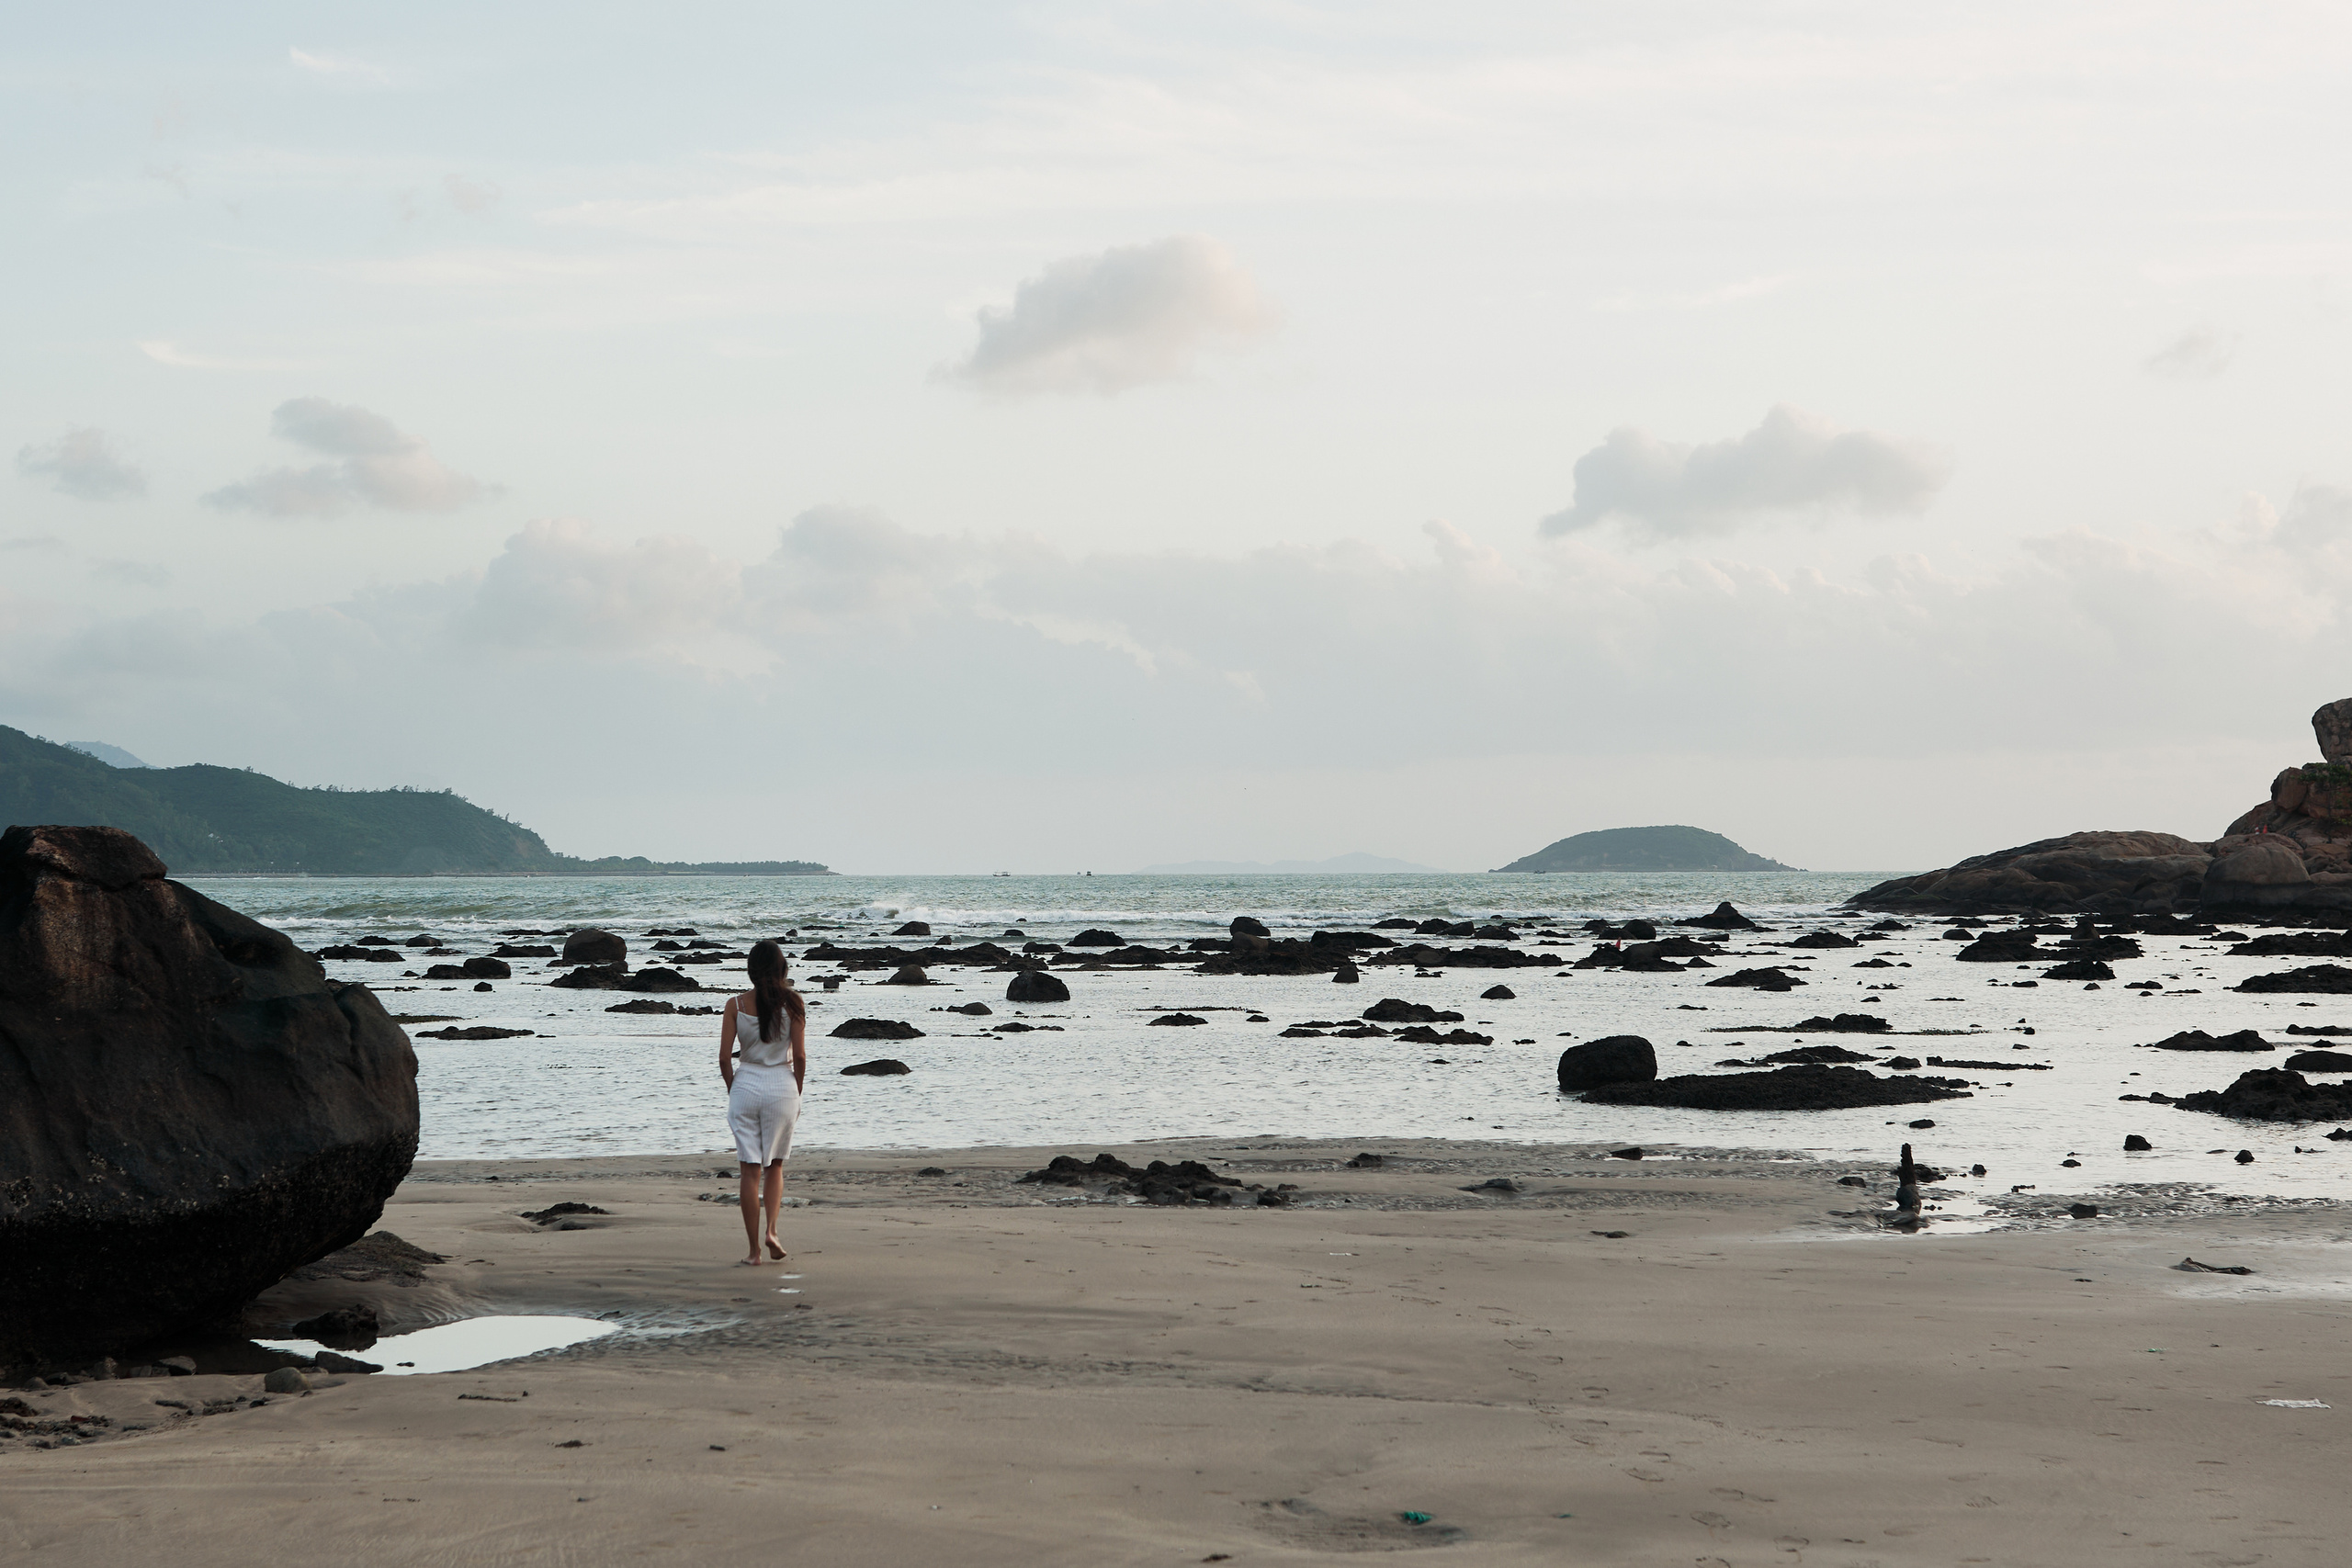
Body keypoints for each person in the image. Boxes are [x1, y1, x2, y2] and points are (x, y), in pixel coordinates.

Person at [720, 940, 807, 1266]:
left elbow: (725, 1060)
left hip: (747, 1086)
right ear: (782, 968)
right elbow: (798, 1055)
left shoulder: (735, 1005)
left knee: (749, 1170)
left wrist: (734, 1089)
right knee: (776, 1166)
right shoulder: (794, 1003)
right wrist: (796, 1089)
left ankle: (754, 1252)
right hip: (782, 1087)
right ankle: (772, 1231)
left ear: (751, 970)